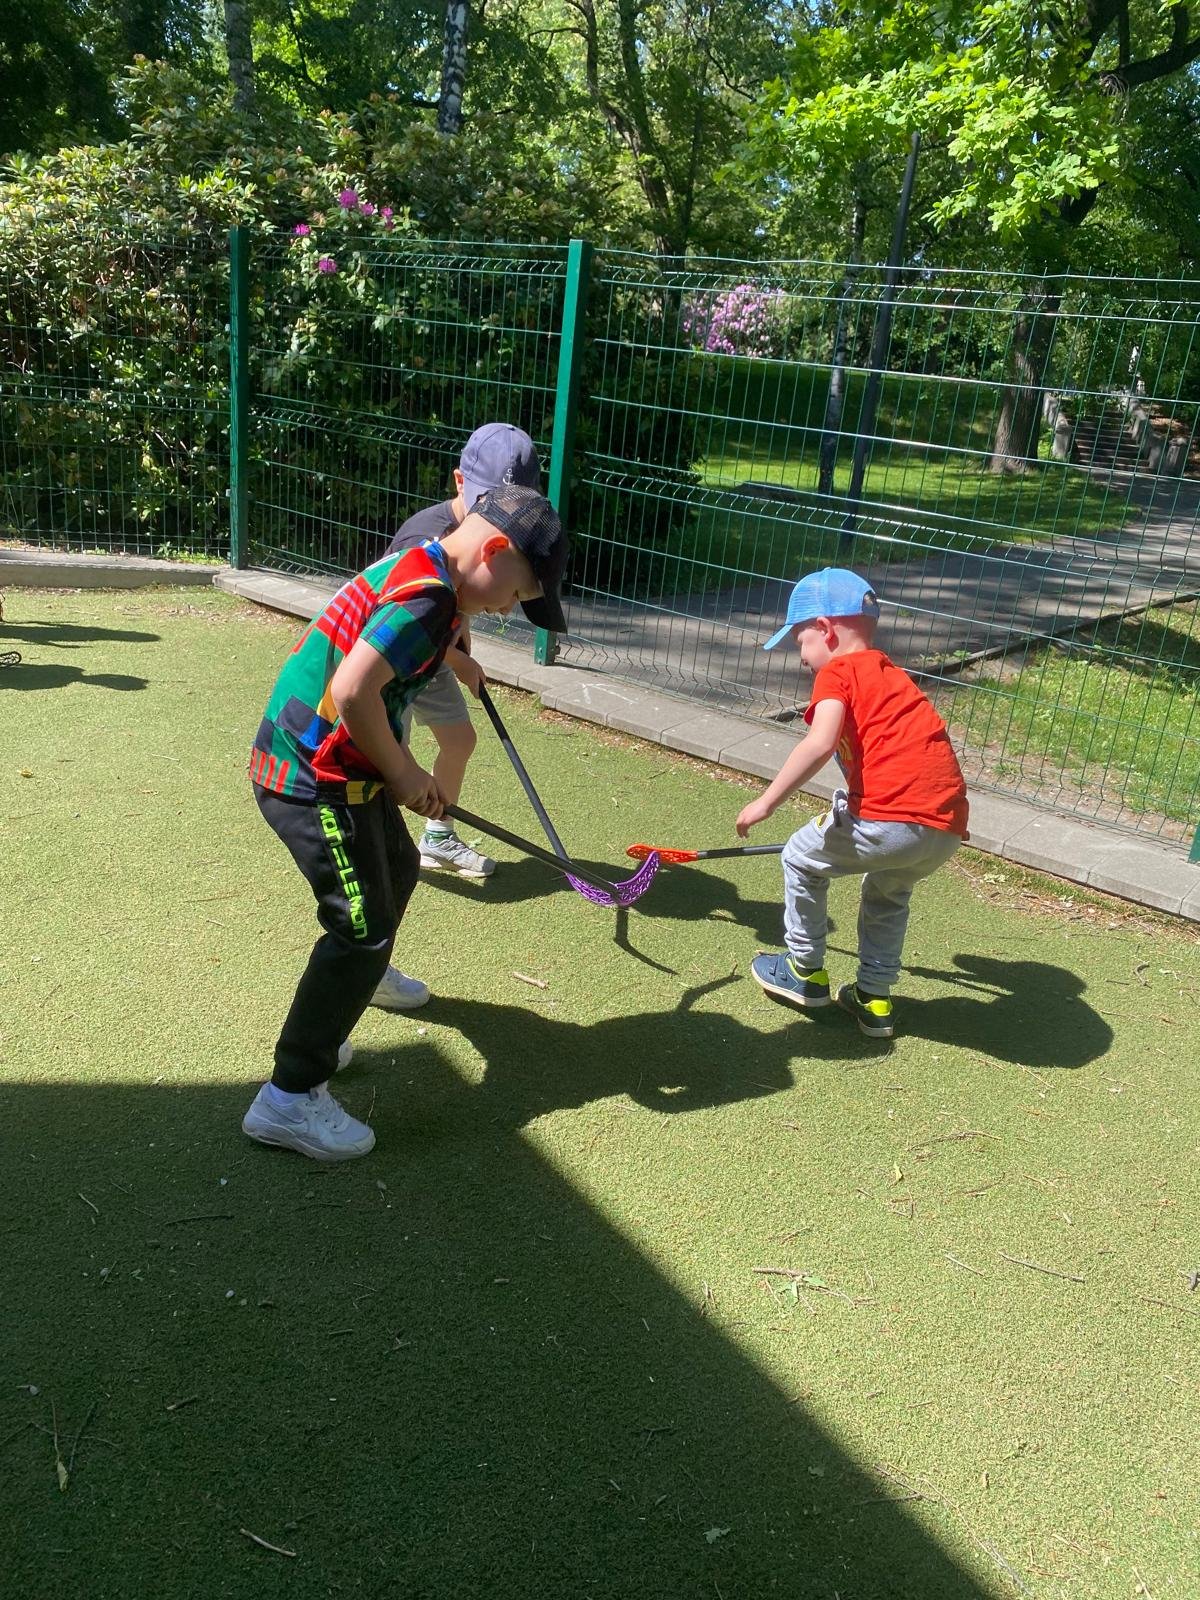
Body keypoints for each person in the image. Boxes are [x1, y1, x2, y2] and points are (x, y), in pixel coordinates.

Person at [243, 484, 569, 1160]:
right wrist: (404, 773)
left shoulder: (429, 570)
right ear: (493, 550)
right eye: (516, 593)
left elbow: (385, 659)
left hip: (341, 770)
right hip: (310, 777)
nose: (509, 609)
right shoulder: (429, 599)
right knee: (360, 929)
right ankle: (288, 1097)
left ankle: (350, 994)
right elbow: (353, 689)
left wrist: (451, 649)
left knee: (398, 867)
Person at [735, 568, 968, 1039]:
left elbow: (820, 743)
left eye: (800, 641)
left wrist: (766, 802)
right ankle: (873, 997)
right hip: (944, 828)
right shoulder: (892, 676)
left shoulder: (838, 672)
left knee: (800, 857)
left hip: (891, 817)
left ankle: (803, 970)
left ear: (825, 629)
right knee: (888, 893)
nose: (802, 656)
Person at [384, 423, 543, 879]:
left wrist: (460, 639)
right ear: (460, 482)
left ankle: (438, 838)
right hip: (393, 663)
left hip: (435, 658)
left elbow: (463, 601)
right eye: (490, 500)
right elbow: (400, 626)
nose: (501, 515)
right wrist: (460, 661)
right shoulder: (423, 539)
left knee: (460, 740)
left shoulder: (492, 541)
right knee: (390, 759)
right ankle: (383, 845)